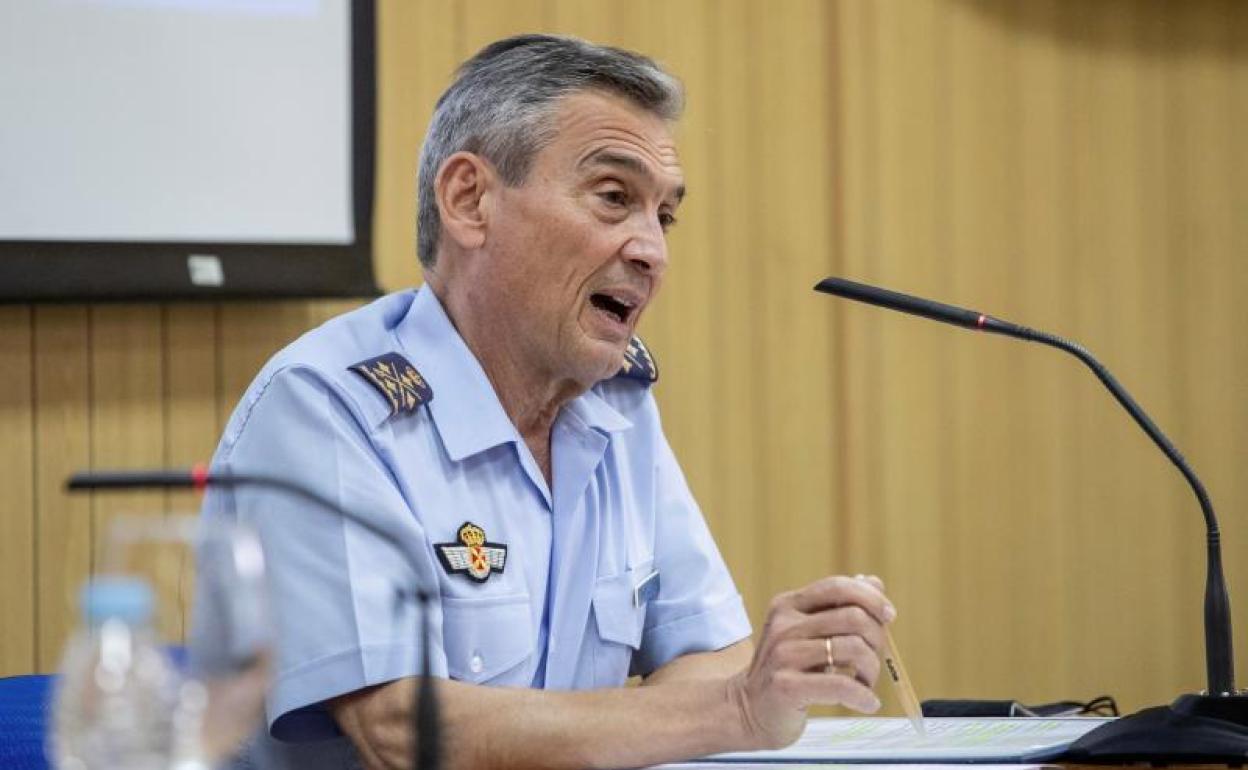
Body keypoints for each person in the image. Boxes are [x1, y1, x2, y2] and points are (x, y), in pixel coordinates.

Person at [198, 34, 896, 770]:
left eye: (663, 216)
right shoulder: (327, 406)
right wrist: (736, 710)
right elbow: (398, 731)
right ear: (469, 201)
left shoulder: (615, 406)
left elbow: (712, 654)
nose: (652, 252)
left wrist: (749, 692)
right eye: (614, 198)